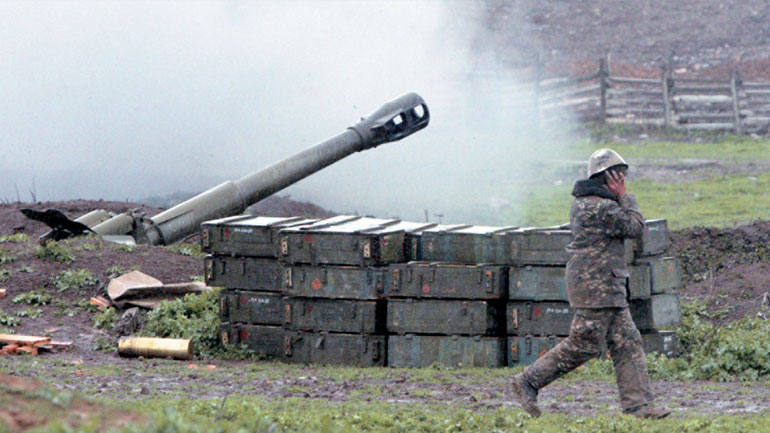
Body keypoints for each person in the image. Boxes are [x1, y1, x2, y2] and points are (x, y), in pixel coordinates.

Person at [511, 148, 672, 419]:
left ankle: (638, 408)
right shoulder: (601, 207)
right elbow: (635, 228)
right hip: (596, 288)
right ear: (606, 177)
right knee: (583, 345)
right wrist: (626, 197)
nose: (623, 180)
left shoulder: (588, 203)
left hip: (604, 287)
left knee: (627, 342)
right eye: (618, 175)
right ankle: (528, 381)